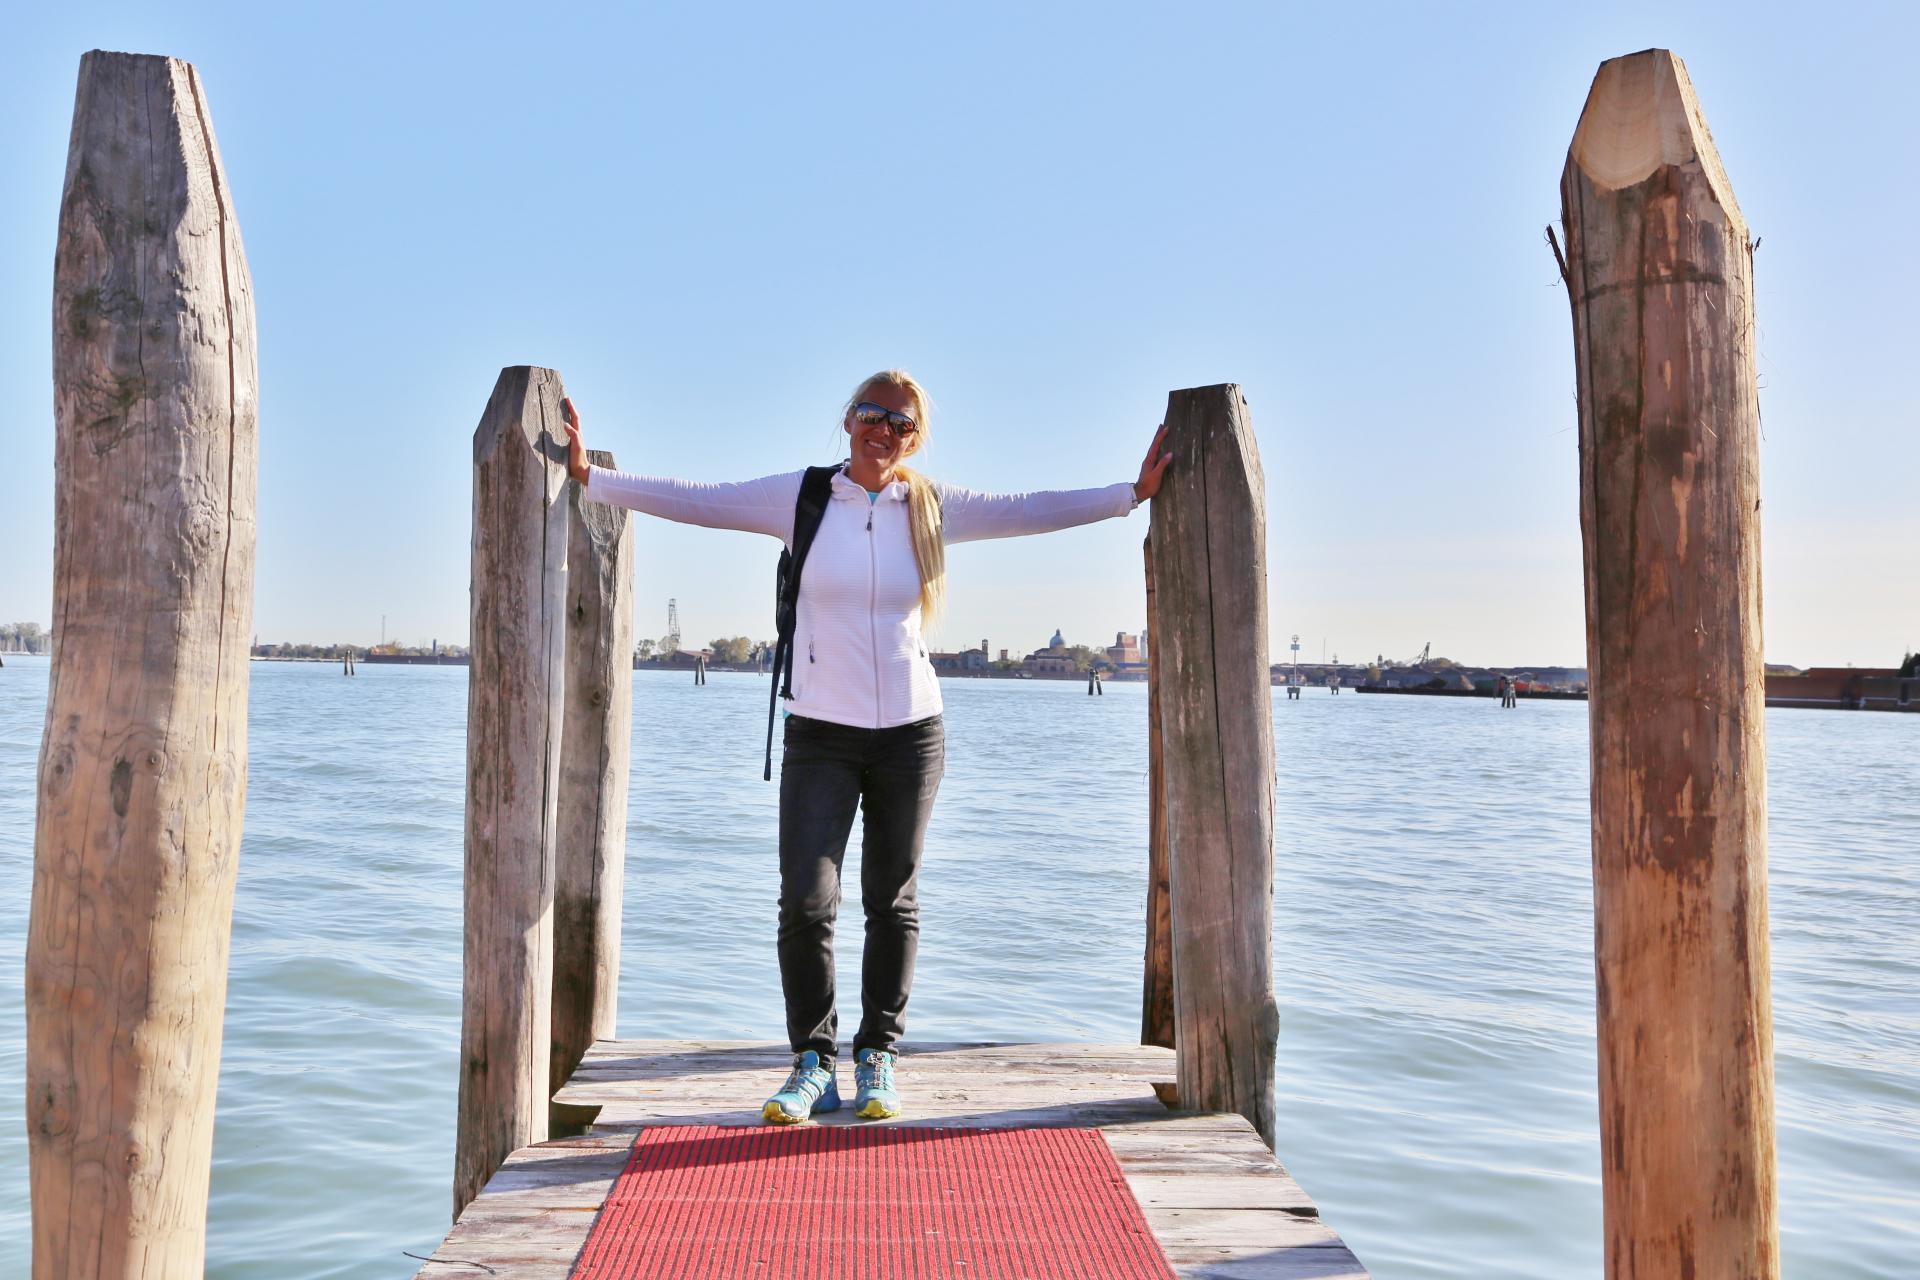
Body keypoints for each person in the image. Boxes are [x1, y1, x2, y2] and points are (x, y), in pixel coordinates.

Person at [562, 369, 1171, 1124]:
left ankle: (877, 1053)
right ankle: (813, 1061)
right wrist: (595, 480)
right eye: (870, 414)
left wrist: (1130, 496)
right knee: (806, 900)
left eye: (900, 423)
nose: (882, 430)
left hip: (911, 737)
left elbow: (1029, 511)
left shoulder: (930, 507)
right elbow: (699, 498)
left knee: (892, 900)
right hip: (820, 731)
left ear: (915, 440)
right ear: (848, 420)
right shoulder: (803, 497)